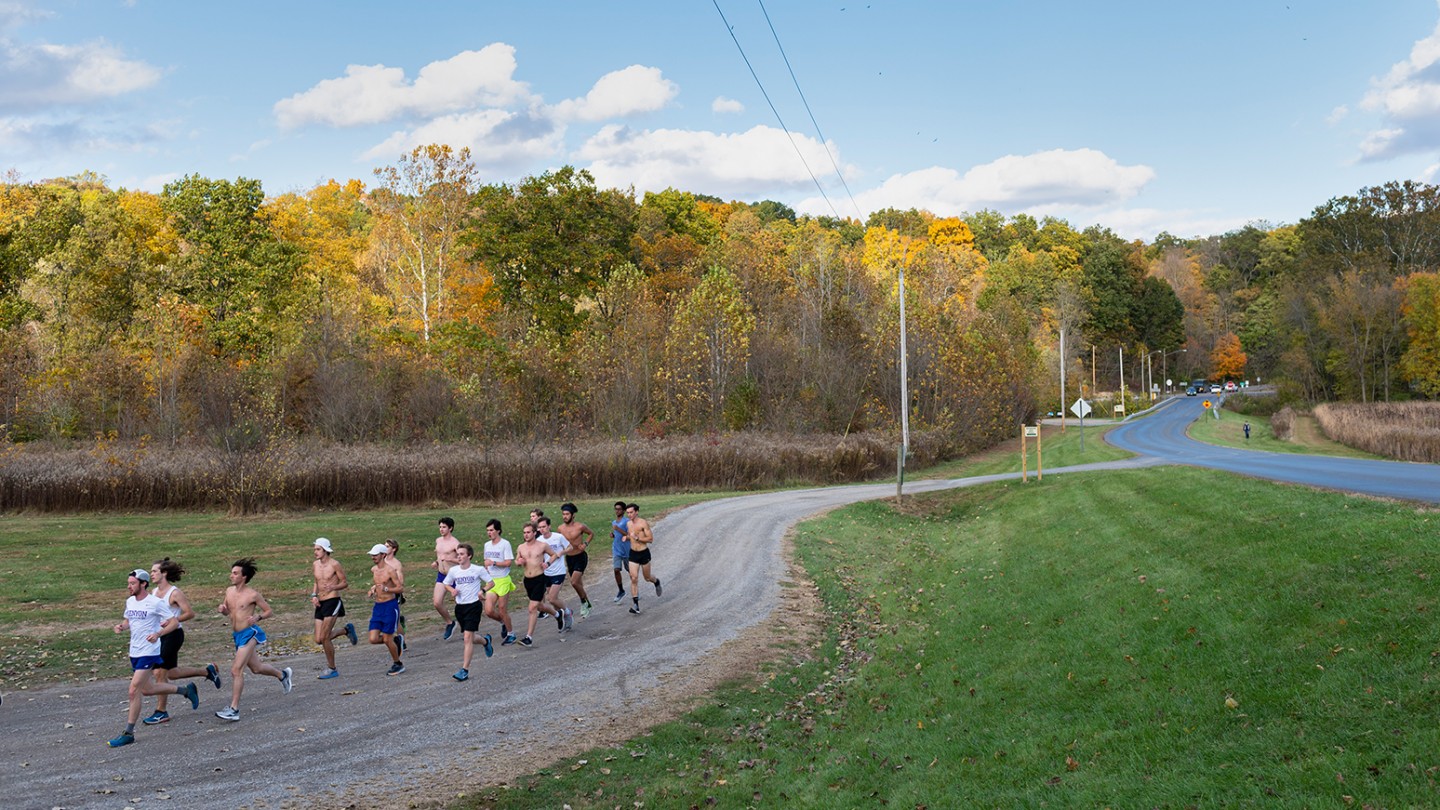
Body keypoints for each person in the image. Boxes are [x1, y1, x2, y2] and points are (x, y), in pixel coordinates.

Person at [109, 569, 200, 746]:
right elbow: (129, 620)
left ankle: (128, 733)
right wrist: (121, 626)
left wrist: (158, 634)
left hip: (149, 651)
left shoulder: (155, 603)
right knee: (147, 689)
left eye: (132, 583)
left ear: (143, 584)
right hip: (134, 651)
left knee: (133, 690)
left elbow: (174, 622)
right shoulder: (130, 601)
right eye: (128, 583)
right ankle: (185, 691)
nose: (129, 586)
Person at [143, 558, 220, 726]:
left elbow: (189, 613)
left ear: (164, 573)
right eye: (151, 571)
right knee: (171, 673)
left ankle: (161, 711)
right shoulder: (154, 592)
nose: (151, 574)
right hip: (159, 636)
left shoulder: (174, 593)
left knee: (160, 673)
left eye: (155, 571)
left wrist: (173, 619)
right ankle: (207, 672)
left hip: (173, 635)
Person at [215, 558, 293, 722]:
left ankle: (234, 709)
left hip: (250, 633)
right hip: (237, 635)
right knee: (256, 668)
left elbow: (268, 611)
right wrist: (223, 610)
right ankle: (283, 675)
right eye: (232, 573)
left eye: (235, 573)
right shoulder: (229, 591)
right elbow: (229, 612)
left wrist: (258, 617)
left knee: (236, 670)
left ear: (243, 577)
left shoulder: (252, 595)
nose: (231, 576)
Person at [443, 543, 494, 681]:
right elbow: (446, 584)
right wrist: (452, 590)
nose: (459, 557)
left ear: (469, 556)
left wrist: (482, 591)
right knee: (470, 637)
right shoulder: (454, 571)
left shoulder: (477, 569)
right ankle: (485, 641)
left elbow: (491, 583)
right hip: (460, 607)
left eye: (462, 554)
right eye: (457, 554)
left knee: (467, 638)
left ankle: (464, 670)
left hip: (473, 606)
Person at [310, 538, 357, 679]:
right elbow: (316, 582)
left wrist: (334, 587)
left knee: (325, 637)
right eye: (315, 549)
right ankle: (346, 630)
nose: (315, 552)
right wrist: (314, 595)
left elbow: (344, 583)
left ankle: (332, 669)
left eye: (318, 549)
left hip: (332, 601)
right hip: (320, 602)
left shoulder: (335, 564)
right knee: (318, 639)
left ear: (325, 550)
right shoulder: (315, 564)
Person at [514, 522, 561, 647]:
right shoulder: (521, 547)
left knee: (532, 608)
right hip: (527, 580)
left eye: (528, 532)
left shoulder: (542, 545)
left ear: (535, 533)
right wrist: (519, 562)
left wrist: (547, 563)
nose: (526, 535)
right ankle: (557, 614)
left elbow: (554, 555)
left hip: (539, 579)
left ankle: (528, 638)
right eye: (524, 533)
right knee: (539, 606)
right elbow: (517, 560)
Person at [367, 543, 406, 675]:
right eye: (372, 555)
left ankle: (398, 663)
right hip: (378, 607)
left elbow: (400, 588)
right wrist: (373, 589)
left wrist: (387, 589)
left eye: (375, 555)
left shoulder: (390, 570)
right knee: (373, 639)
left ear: (383, 555)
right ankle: (396, 641)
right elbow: (378, 583)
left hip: (390, 606)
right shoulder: (374, 569)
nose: (373, 557)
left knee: (386, 638)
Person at [482, 519, 517, 645]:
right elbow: (486, 561)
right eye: (487, 530)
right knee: (488, 611)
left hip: (503, 580)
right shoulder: (487, 545)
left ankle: (511, 634)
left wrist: (494, 563)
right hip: (491, 581)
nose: (489, 533)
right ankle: (503, 622)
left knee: (502, 609)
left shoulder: (505, 544)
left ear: (498, 531)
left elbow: (508, 563)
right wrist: (486, 568)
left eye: (491, 530)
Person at [557, 503, 595, 617]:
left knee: (574, 582)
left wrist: (585, 543)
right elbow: (558, 542)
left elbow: (591, 533)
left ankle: (583, 602)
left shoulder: (580, 526)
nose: (565, 516)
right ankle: (587, 604)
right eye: (563, 514)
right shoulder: (560, 528)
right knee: (578, 584)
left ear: (573, 515)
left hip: (580, 557)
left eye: (567, 514)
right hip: (569, 558)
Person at [536, 516, 573, 632]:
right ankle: (563, 619)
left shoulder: (558, 537)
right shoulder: (539, 540)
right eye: (540, 527)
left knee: (551, 598)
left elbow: (570, 547)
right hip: (547, 573)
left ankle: (567, 612)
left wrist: (562, 552)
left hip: (559, 571)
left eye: (544, 526)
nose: (542, 529)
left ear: (549, 526)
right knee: (554, 601)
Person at [624, 503, 661, 614]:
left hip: (643, 553)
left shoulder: (643, 523)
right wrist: (626, 537)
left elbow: (650, 539)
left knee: (647, 577)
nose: (629, 514)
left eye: (631, 512)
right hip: (633, 554)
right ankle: (636, 606)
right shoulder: (628, 524)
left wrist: (638, 538)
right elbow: (630, 536)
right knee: (633, 578)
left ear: (636, 512)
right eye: (628, 513)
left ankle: (656, 581)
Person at [433, 517, 461, 640]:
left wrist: (451, 559)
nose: (441, 529)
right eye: (440, 527)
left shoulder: (455, 543)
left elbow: (463, 559)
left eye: (444, 527)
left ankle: (468, 629)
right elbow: (439, 556)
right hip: (442, 575)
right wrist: (436, 562)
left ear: (450, 528)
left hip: (454, 576)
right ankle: (450, 622)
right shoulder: (438, 540)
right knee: (437, 602)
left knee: (460, 604)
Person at [384, 538, 406, 635]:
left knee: (393, 620)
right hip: (383, 594)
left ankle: (401, 640)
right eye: (384, 546)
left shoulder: (396, 564)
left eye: (387, 546)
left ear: (394, 549)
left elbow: (400, 582)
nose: (385, 548)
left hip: (394, 594)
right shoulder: (382, 561)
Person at [610, 500, 630, 603]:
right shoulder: (614, 522)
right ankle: (621, 590)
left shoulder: (627, 521)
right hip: (616, 549)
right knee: (616, 570)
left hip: (626, 550)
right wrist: (613, 535)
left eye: (619, 509)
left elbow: (629, 535)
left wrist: (618, 529)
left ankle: (635, 590)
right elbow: (617, 535)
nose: (617, 511)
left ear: (623, 510)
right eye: (616, 509)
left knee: (631, 572)